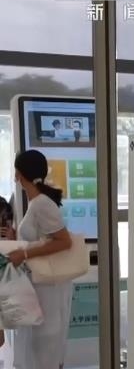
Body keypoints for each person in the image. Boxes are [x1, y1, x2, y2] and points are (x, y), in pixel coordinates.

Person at [5, 150, 74, 369]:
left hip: (48, 288)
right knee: (37, 343)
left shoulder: (42, 203)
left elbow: (64, 241)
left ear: (20, 173)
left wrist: (24, 254)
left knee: (46, 342)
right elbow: (39, 240)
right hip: (37, 285)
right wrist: (15, 241)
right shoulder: (35, 202)